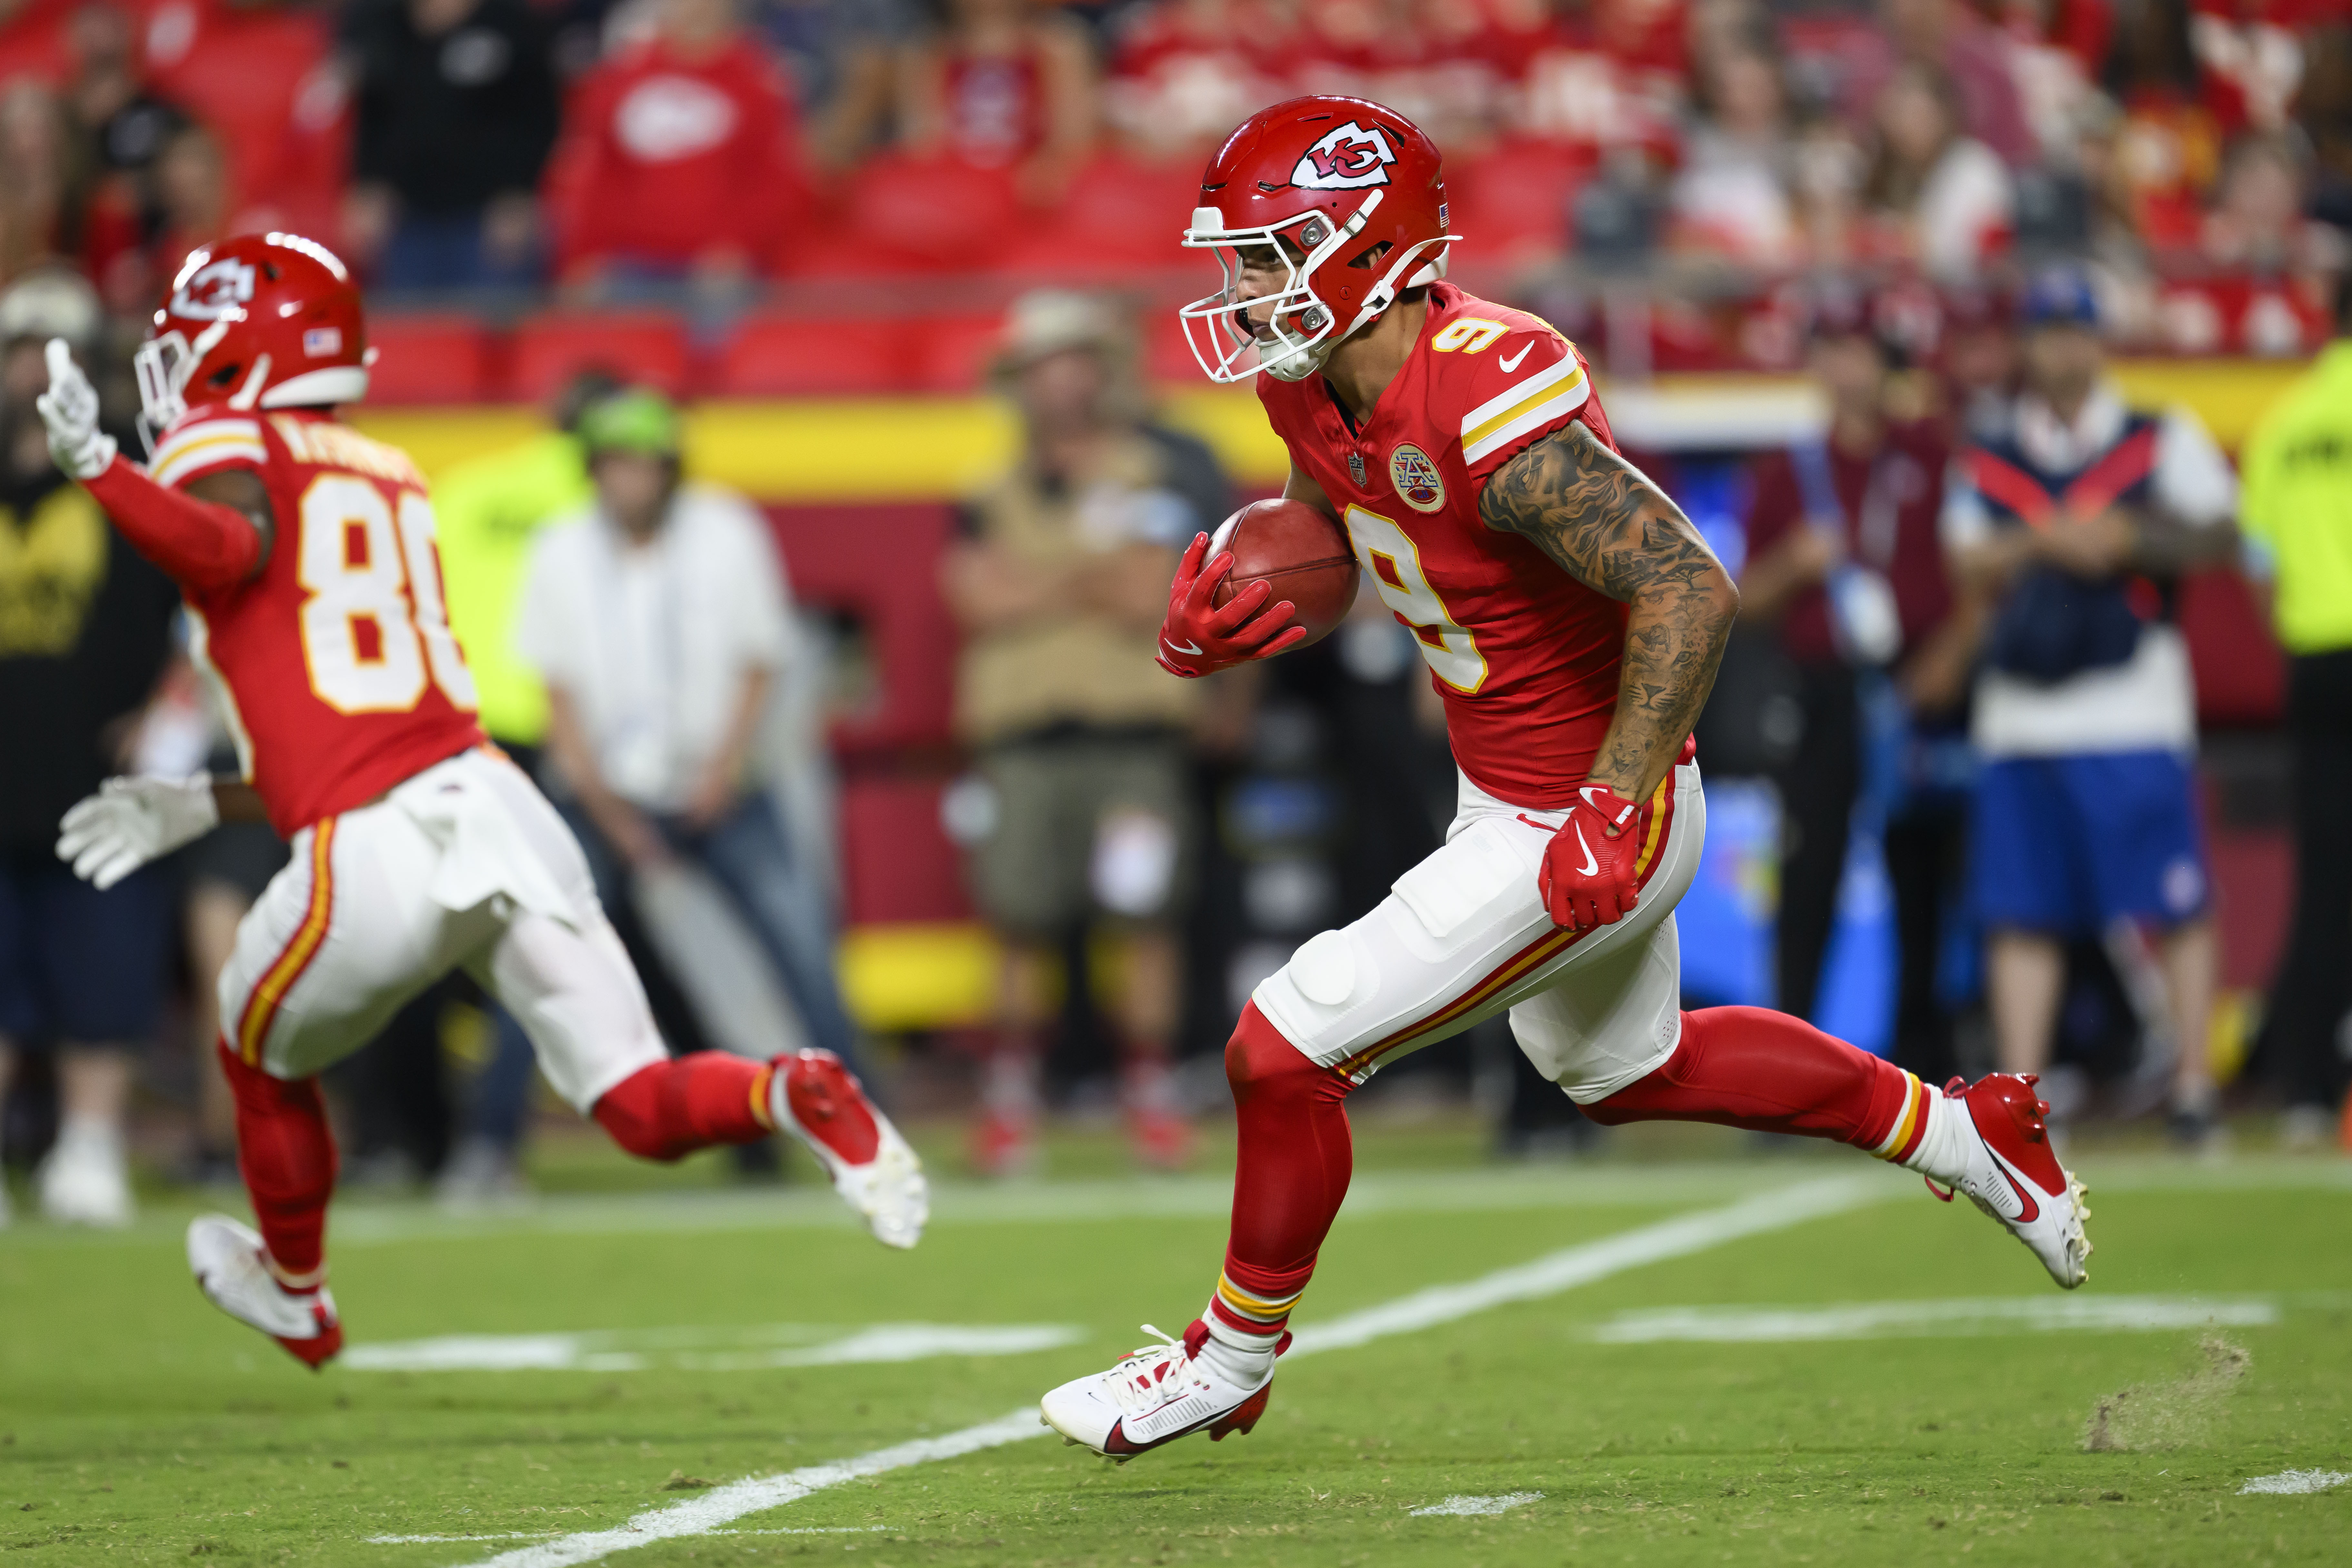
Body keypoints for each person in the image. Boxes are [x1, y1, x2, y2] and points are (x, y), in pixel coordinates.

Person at [1038, 95, 2091, 1462]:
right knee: (1622, 1064)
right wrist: (1248, 607)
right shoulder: (1307, 376)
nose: (1238, 286)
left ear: (1364, 250)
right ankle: (1966, 1133)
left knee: (1283, 1045)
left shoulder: (1487, 388)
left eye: (1264, 251)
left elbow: (1689, 590)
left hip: (1591, 799)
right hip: (1514, 792)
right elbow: (1383, 533)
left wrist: (1606, 808)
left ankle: (1228, 1360)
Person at [32, 233, 924, 1366]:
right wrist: (209, 802)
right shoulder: (392, 473)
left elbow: (220, 549)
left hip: (374, 847)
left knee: (255, 1052)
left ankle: (299, 1291)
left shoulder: (238, 449)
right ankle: (789, 1089)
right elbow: (360, 723)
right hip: (497, 805)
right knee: (637, 1100)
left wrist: (98, 468)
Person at [1940, 265, 2239, 1146]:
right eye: (2044, 330)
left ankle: (2192, 1086)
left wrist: (2126, 537)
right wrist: (2046, 539)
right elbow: (1962, 559)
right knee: (2019, 908)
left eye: (2073, 330)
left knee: (2174, 900)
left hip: (2131, 705)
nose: (2059, 347)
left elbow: (2219, 531)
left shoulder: (2156, 433)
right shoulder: (1992, 447)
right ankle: (2020, 1100)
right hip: (2022, 712)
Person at [940, 290, 1231, 1177]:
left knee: (1142, 915)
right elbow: (972, 600)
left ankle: (1149, 1098)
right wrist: (1084, 580)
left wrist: (1035, 584)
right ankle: (1011, 1104)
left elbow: (1152, 591)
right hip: (1024, 734)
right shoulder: (984, 490)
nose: (1057, 382)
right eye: (1040, 366)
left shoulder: (1155, 473)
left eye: (1071, 362)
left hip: (1131, 729)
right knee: (1017, 917)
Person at [515, 386, 862, 1081]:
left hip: (721, 783)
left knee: (802, 950)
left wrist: (721, 768)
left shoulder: (725, 528)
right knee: (542, 951)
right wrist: (611, 814)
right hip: (604, 793)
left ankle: (871, 1118)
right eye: (618, 464)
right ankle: (488, 1145)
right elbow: (558, 695)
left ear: (671, 468)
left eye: (645, 464)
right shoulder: (559, 546)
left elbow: (759, 660)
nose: (632, 479)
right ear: (594, 469)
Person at [1738, 292, 1978, 1083]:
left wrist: (1949, 654)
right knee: (1810, 874)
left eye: (1862, 353)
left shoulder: (1931, 453)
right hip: (1822, 690)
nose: (1848, 370)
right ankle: (1787, 1070)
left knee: (1925, 877)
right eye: (1833, 351)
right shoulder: (1786, 466)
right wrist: (1793, 565)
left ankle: (1927, 1061)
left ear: (1887, 365)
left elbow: (1974, 573)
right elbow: (1742, 597)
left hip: (1918, 686)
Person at [0, 268, 179, 1226]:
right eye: (21, 349)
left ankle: (91, 1145)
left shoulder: (132, 473)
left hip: (99, 772)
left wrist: (172, 702)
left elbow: (200, 599)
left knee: (102, 973)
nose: (34, 368)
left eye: (53, 348)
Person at [2233, 280, 2352, 1146]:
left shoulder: (2283, 423)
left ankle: (2307, 1085)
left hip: (2315, 659)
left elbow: (2256, 561)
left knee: (2323, 876)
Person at [340, 0, 561, 292]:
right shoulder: (382, 25)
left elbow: (539, 118)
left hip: (489, 219)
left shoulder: (513, 25)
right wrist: (368, 182)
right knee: (412, 330)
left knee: (492, 324)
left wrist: (521, 190)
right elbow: (372, 116)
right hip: (405, 217)